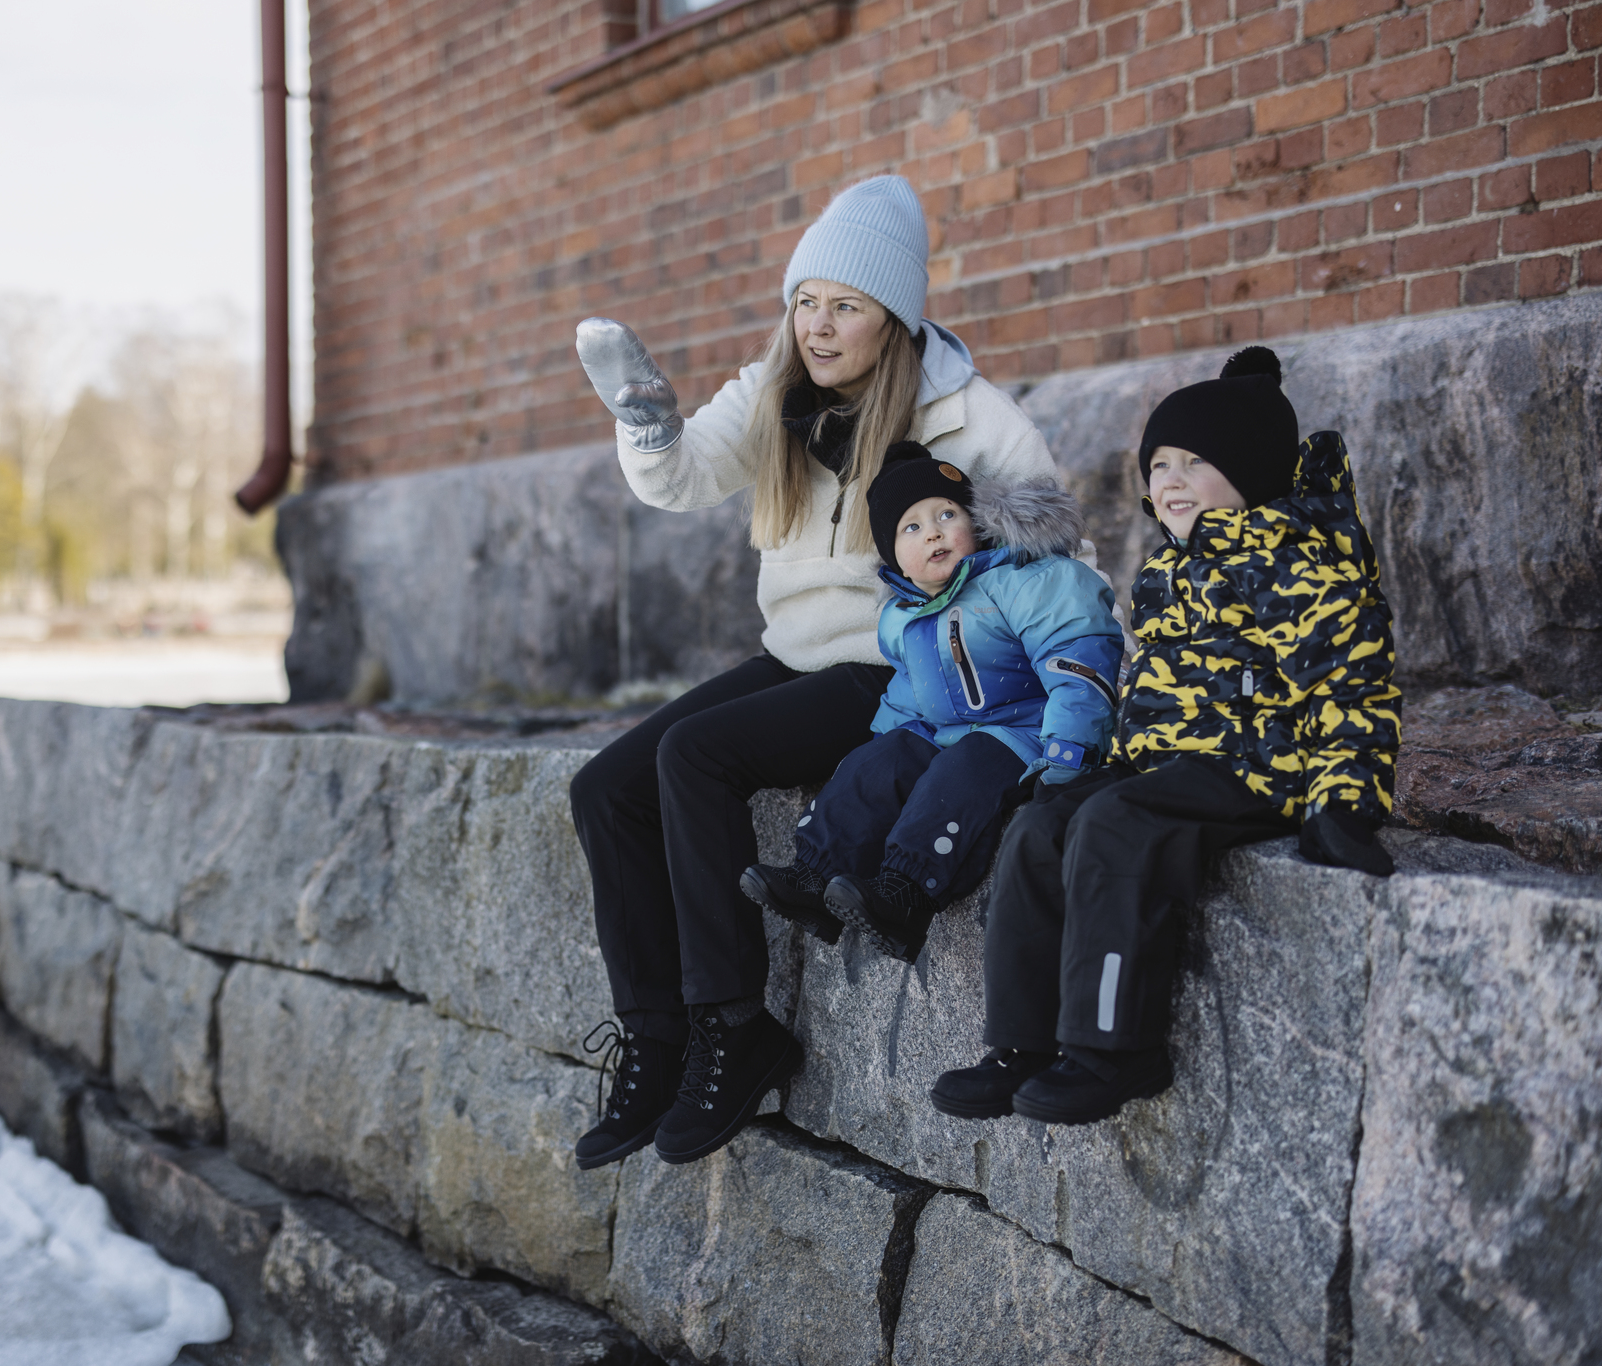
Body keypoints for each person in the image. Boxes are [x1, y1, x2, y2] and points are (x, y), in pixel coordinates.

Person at [568, 174, 1088, 1171]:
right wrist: (643, 418)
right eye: (805, 300)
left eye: (842, 306)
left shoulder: (963, 412)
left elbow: (1056, 554)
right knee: (604, 789)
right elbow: (677, 476)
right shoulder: (774, 387)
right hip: (796, 655)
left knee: (696, 754)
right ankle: (656, 1035)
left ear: (889, 316)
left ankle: (734, 1024)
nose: (816, 323)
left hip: (895, 675)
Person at [929, 345, 1400, 1128]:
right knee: (1042, 822)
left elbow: (1351, 685)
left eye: (1194, 463)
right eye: (1160, 465)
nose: (1170, 480)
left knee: (1121, 825)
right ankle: (1021, 1045)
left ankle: (1115, 1047)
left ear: (1250, 471)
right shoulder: (1171, 570)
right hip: (1170, 762)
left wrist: (1344, 805)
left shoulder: (1297, 565)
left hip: (1262, 765)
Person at [741, 443, 1122, 962]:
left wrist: (1069, 756)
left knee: (964, 768)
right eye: (911, 527)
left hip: (1027, 735)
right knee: (880, 761)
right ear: (893, 554)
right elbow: (908, 695)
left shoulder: (1026, 580)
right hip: (949, 734)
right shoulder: (904, 617)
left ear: (978, 522)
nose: (934, 532)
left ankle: (905, 891)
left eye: (947, 514)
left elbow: (1077, 663)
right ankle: (816, 875)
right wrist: (882, 760)